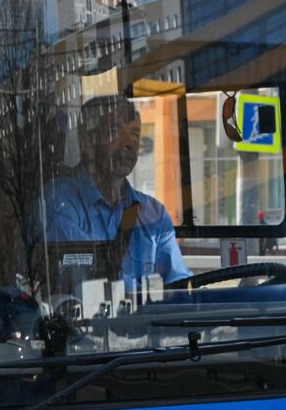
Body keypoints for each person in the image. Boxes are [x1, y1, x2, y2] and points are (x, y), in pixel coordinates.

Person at [44, 94, 190, 286]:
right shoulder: (60, 202)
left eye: (135, 135)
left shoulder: (154, 214)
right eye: (114, 131)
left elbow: (180, 285)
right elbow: (85, 280)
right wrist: (151, 293)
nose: (130, 143)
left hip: (154, 316)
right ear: (86, 140)